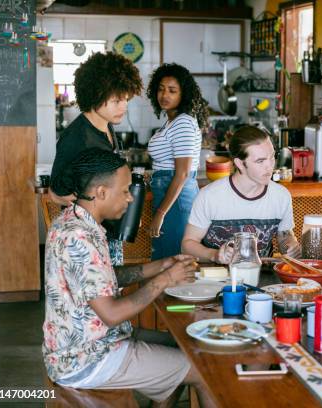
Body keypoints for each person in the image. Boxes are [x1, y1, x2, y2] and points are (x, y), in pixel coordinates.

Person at [42, 148, 209, 407]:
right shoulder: (79, 237)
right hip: (86, 358)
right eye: (125, 191)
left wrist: (161, 266)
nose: (130, 199)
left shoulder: (74, 220)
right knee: (202, 370)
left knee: (185, 345)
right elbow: (111, 313)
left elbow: (104, 278)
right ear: (100, 193)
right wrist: (165, 280)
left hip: (95, 342)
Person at [49, 51, 143, 266]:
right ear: (95, 95)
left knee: (112, 289)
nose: (123, 107)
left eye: (126, 99)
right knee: (100, 297)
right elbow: (57, 191)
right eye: (116, 100)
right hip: (87, 236)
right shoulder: (77, 138)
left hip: (108, 231)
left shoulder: (106, 126)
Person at [181, 126, 300, 263]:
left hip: (262, 276)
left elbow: (284, 235)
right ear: (240, 164)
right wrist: (214, 255)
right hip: (216, 278)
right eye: (260, 161)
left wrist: (290, 245)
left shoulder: (281, 196)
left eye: (272, 157)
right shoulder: (210, 196)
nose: (270, 166)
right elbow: (187, 244)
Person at [146, 63, 208, 260]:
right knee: (167, 259)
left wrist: (160, 213)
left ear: (184, 94)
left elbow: (181, 174)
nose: (165, 95)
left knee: (173, 261)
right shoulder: (172, 121)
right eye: (161, 89)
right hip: (169, 192)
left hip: (177, 199)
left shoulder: (183, 123)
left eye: (172, 91)